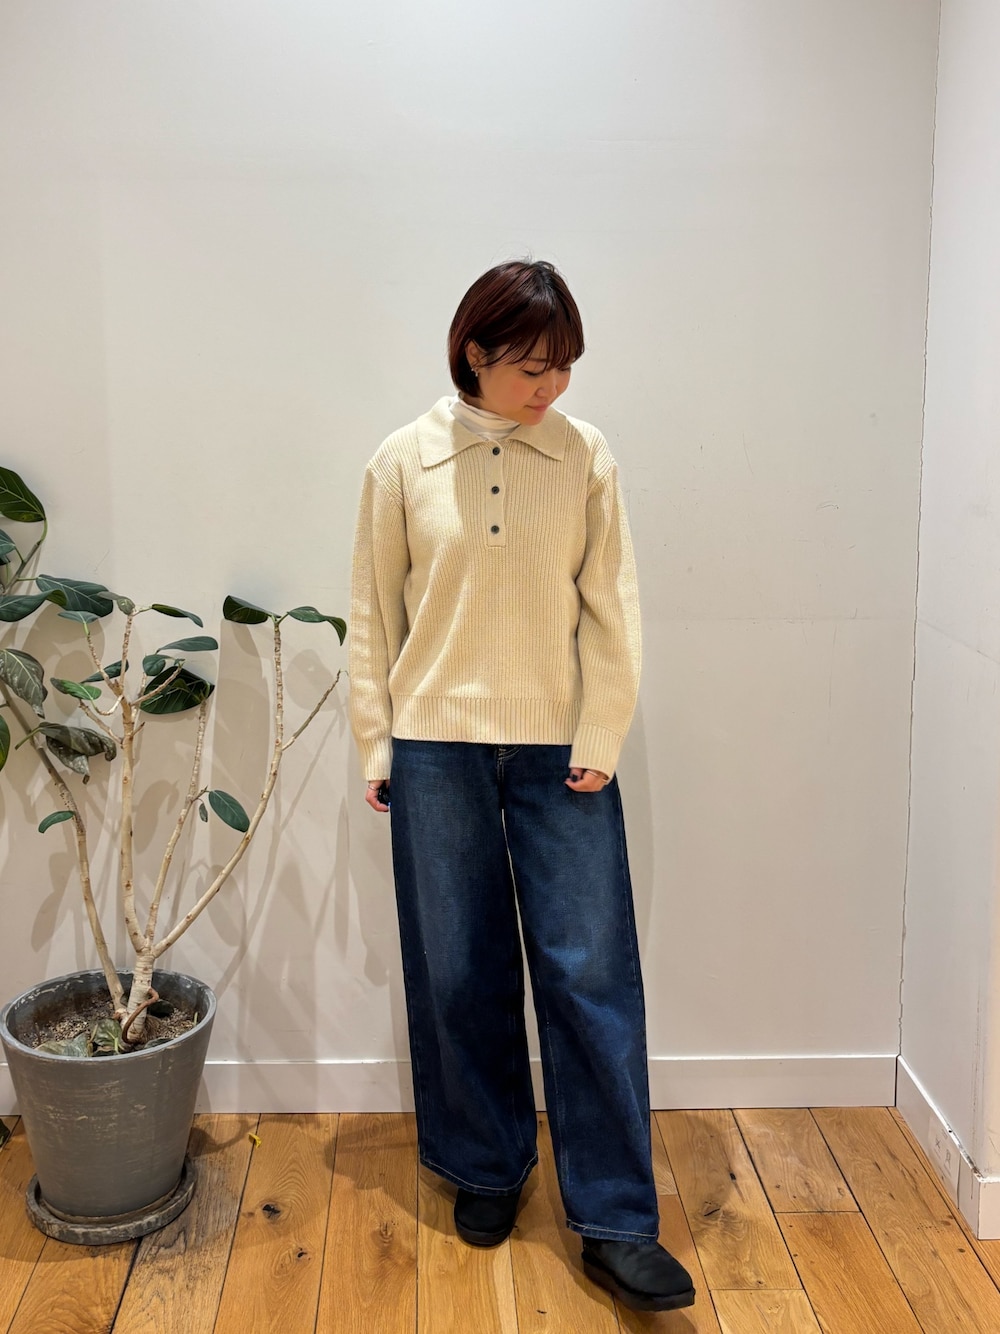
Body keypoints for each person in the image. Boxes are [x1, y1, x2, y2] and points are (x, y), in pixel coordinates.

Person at [349, 259, 695, 1313]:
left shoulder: (583, 456)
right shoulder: (403, 461)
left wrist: (601, 730)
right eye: (532, 368)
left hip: (559, 751)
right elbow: (372, 614)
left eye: (564, 367)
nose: (552, 387)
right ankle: (486, 1164)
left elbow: (611, 604)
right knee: (459, 970)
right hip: (435, 747)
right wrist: (378, 745)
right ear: (475, 354)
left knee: (589, 974)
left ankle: (617, 1219)